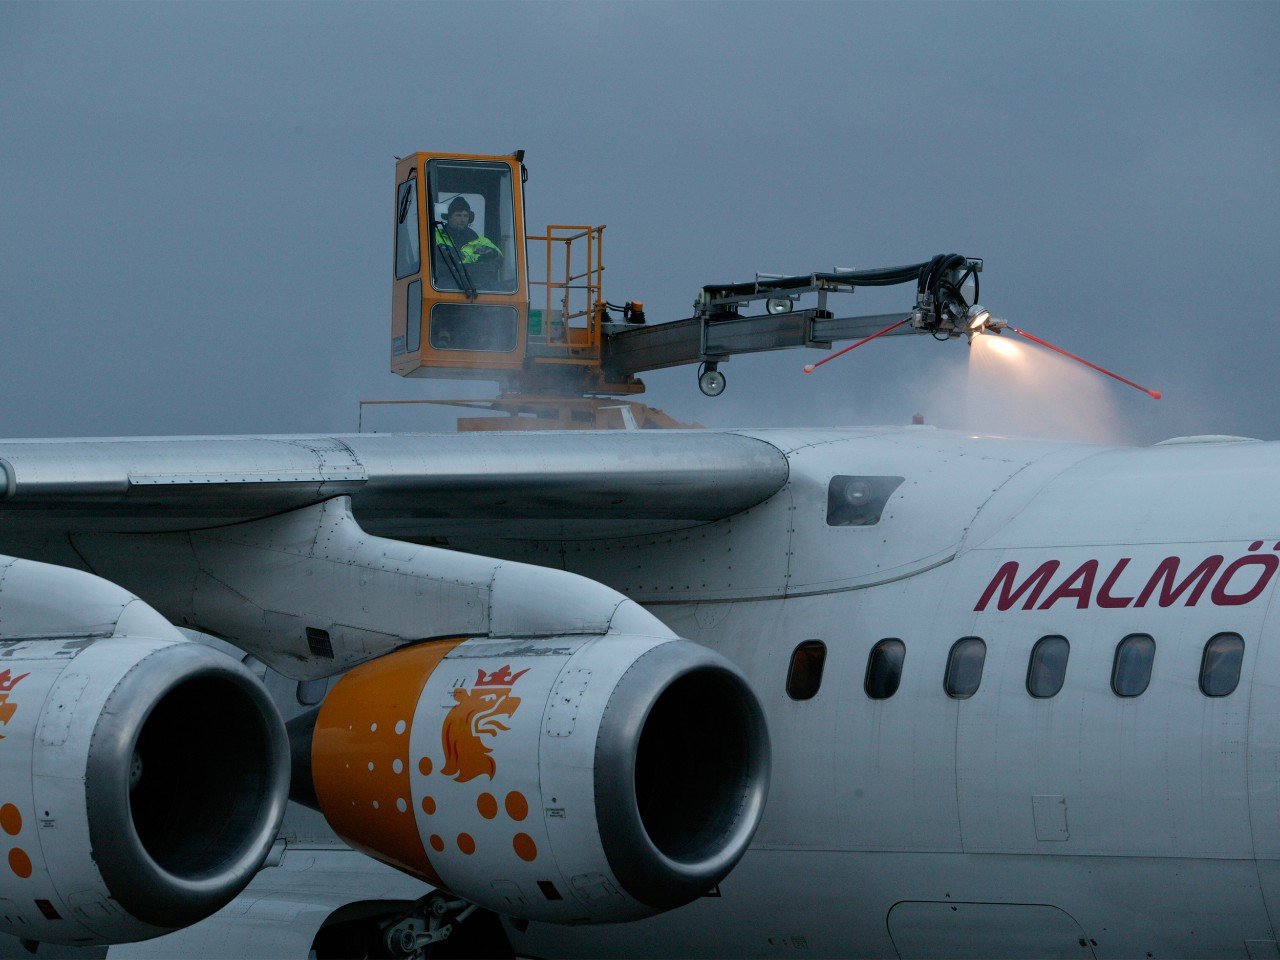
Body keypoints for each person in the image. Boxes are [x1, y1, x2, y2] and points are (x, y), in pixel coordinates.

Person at [433, 196, 503, 279]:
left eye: (466, 216)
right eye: (458, 215)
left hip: (474, 286)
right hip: (441, 285)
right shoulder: (435, 235)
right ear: (448, 217)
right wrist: (442, 251)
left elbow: (500, 257)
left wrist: (492, 253)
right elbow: (424, 253)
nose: (463, 219)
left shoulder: (481, 241)